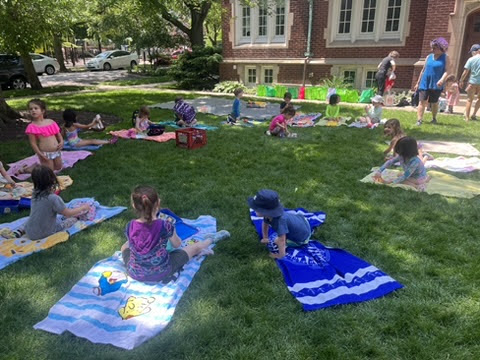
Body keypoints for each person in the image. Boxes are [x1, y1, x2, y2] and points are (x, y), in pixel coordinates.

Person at [121, 185, 230, 283]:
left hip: (135, 272)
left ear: (134, 205)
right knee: (194, 247)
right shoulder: (165, 225)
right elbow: (177, 245)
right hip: (162, 270)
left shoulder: (130, 226)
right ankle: (212, 239)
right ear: (158, 203)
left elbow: (132, 244)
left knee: (124, 246)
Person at [24, 165, 90, 240]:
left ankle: (19, 231)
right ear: (52, 180)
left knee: (33, 218)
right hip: (44, 233)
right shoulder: (53, 198)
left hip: (29, 230)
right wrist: (83, 207)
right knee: (72, 219)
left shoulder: (34, 194)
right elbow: (68, 213)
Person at [247, 189, 311, 260]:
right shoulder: (268, 215)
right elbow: (265, 224)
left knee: (276, 241)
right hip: (303, 222)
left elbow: (282, 241)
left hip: (302, 237)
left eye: (256, 209)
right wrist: (265, 238)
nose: (254, 210)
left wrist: (280, 255)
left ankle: (293, 244)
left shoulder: (280, 222)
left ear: (265, 211)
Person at [414, 38, 451, 125]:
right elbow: (423, 70)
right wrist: (417, 82)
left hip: (437, 83)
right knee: (422, 101)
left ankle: (434, 118)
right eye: (432, 47)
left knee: (434, 102)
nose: (432, 50)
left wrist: (442, 80)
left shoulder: (445, 57)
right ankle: (419, 120)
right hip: (425, 82)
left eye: (435, 48)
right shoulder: (429, 57)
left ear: (441, 48)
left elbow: (447, 71)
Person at [25, 99, 63, 172]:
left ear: (42, 110)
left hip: (56, 151)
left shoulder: (51, 122)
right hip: (45, 153)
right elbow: (33, 143)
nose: (33, 110)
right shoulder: (32, 127)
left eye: (36, 108)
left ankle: (37, 166)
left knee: (58, 167)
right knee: (49, 171)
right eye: (31, 109)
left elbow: (58, 134)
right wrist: (40, 154)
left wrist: (61, 142)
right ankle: (26, 169)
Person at [459, 44, 480, 122]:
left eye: (472, 51)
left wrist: (461, 80)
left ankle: (467, 118)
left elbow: (465, 72)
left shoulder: (471, 59)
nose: (472, 53)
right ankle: (474, 114)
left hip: (472, 82)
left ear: (476, 51)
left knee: (469, 100)